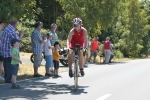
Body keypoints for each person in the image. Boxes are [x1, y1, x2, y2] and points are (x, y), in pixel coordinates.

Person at [1, 19, 25, 83]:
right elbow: (16, 41)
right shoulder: (11, 30)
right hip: (9, 51)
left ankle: (7, 79)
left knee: (6, 66)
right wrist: (21, 34)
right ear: (14, 24)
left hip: (4, 51)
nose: (17, 26)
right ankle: (9, 80)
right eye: (17, 24)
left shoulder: (7, 29)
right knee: (10, 66)